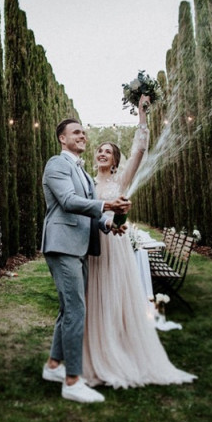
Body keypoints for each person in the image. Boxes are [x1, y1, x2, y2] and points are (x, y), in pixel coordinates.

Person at [82, 94, 197, 388]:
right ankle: (97, 353)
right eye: (100, 150)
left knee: (115, 295)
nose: (102, 153)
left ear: (116, 160)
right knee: (94, 298)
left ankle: (119, 351)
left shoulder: (120, 183)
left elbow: (139, 151)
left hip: (115, 246)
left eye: (108, 151)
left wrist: (142, 116)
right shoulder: (88, 183)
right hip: (93, 247)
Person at [41, 118, 131, 403]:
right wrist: (108, 204)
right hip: (63, 245)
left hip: (80, 246)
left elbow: (90, 214)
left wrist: (109, 224)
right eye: (76, 132)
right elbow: (68, 202)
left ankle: (53, 366)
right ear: (62, 139)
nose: (82, 135)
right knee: (77, 310)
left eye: (83, 132)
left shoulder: (83, 173)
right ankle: (72, 381)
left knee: (68, 309)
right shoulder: (57, 164)